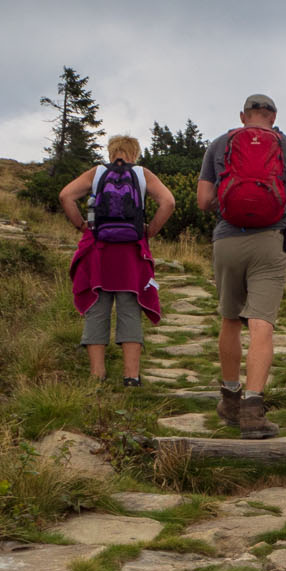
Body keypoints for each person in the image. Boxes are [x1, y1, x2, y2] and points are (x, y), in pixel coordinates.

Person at [195, 94, 286, 438]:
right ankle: (253, 409)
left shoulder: (220, 144)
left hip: (227, 239)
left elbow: (203, 201)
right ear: (274, 117)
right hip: (271, 241)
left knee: (230, 319)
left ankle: (229, 400)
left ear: (243, 116)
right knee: (261, 324)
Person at [61, 135, 174, 385]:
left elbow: (65, 196)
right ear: (135, 152)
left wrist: (82, 225)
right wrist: (151, 230)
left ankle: (97, 375)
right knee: (130, 310)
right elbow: (168, 202)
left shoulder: (97, 173)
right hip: (130, 252)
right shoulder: (143, 174)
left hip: (99, 251)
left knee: (96, 309)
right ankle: (131, 377)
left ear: (111, 152)